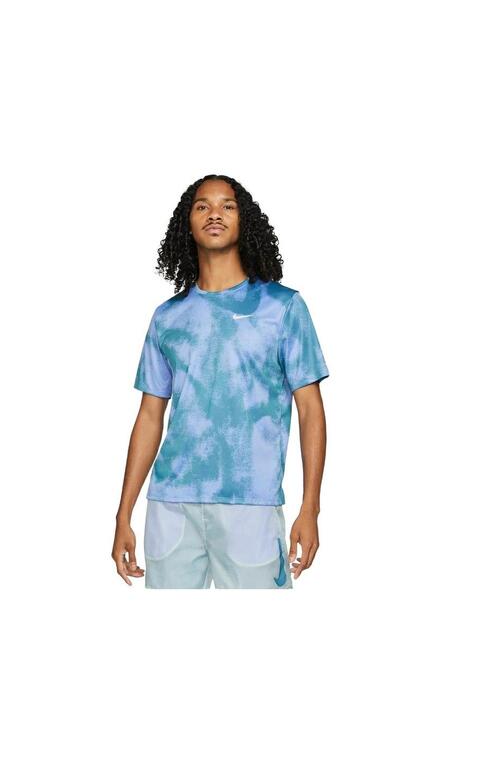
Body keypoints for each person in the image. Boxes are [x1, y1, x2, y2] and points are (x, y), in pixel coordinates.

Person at [111, 174, 330, 589]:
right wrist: (124, 513)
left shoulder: (282, 308)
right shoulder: (167, 317)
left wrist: (311, 507)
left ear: (244, 220)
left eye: (227, 205)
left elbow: (310, 410)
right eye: (203, 206)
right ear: (187, 223)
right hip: (171, 504)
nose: (215, 213)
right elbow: (149, 417)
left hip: (252, 504)